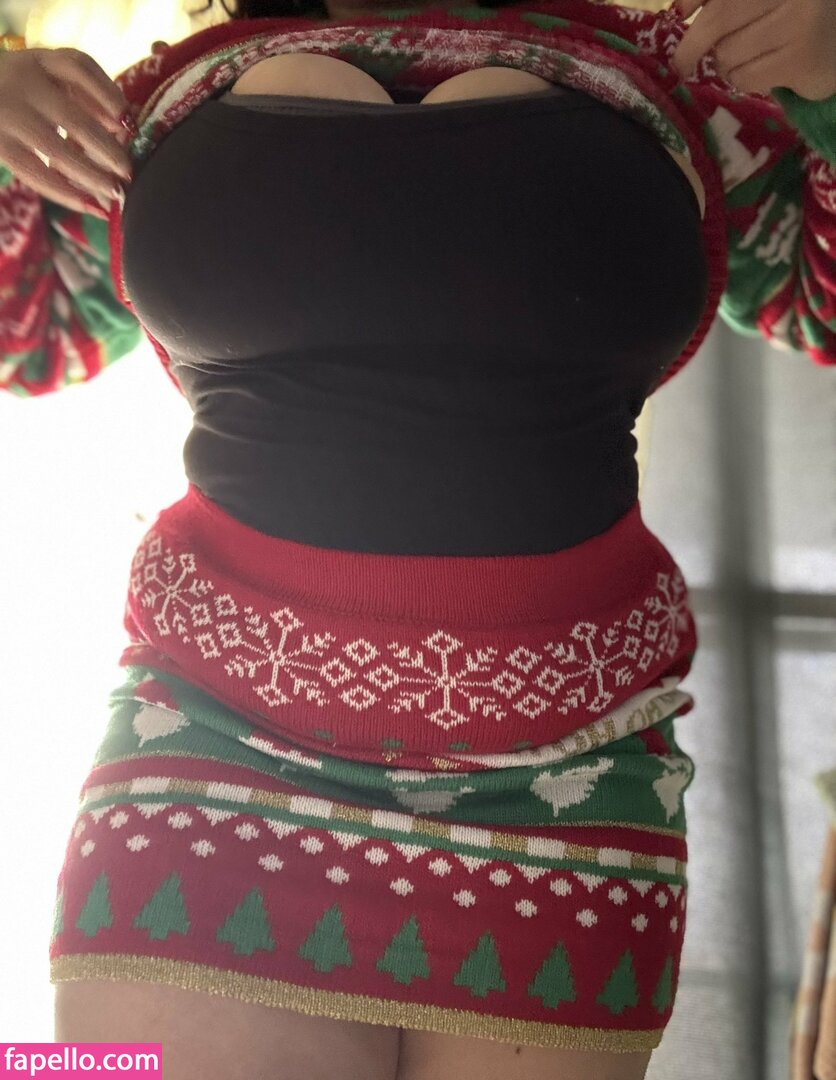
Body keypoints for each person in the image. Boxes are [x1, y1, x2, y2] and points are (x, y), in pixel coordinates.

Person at [0, 0, 834, 1076]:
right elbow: (25, 333)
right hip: (202, 746)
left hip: (567, 782)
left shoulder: (687, 82)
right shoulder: (155, 98)